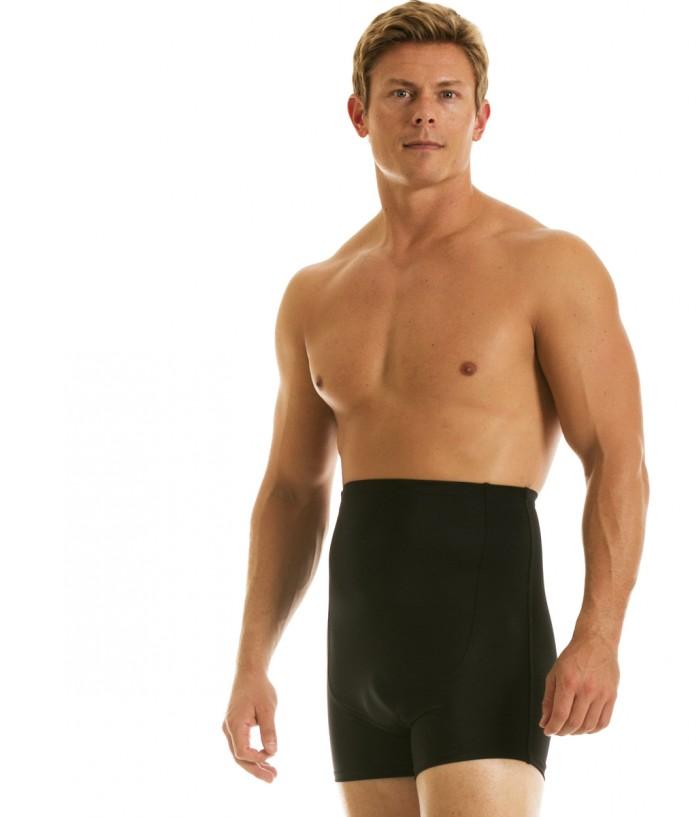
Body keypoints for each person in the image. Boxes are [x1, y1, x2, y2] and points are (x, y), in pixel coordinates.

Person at [221, 2, 649, 815]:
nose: (425, 113)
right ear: (359, 113)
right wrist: (252, 660)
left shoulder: (548, 265)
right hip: (358, 651)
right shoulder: (316, 293)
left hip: (484, 636)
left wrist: (599, 634)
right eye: (401, 93)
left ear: (480, 117)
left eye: (449, 95)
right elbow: (292, 489)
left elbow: (616, 457)